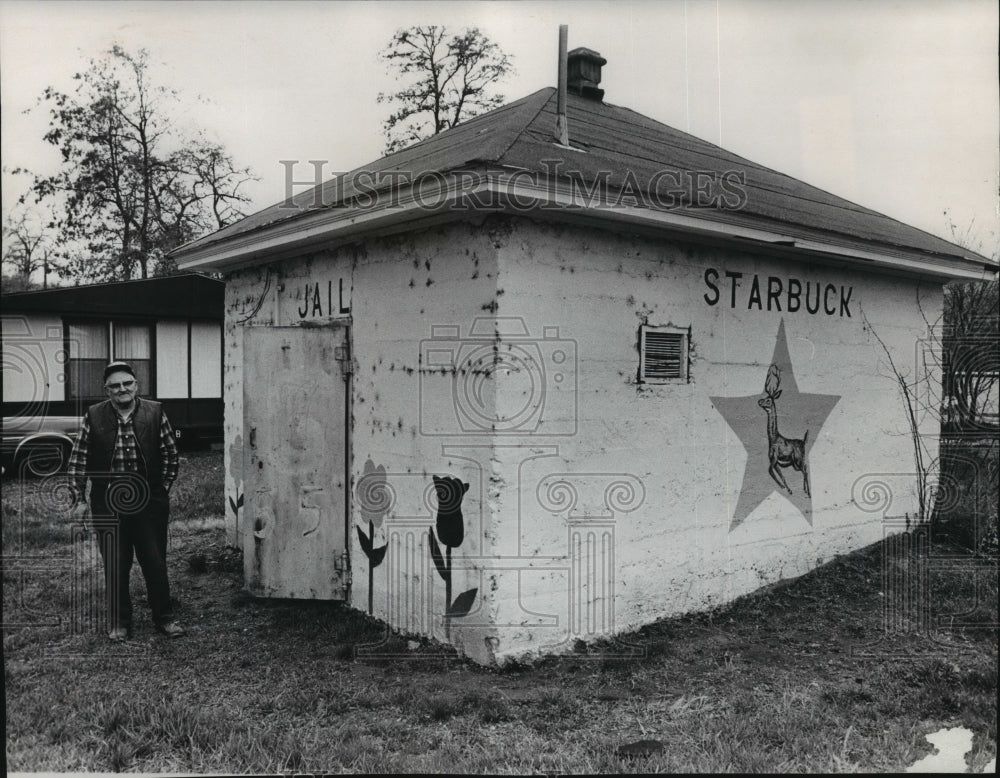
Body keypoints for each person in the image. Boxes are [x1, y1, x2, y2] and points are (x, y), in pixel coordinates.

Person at [68, 361, 185, 641]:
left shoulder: (155, 412)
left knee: (154, 562)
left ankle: (165, 617)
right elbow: (78, 460)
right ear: (106, 390)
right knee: (116, 564)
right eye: (115, 385)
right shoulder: (93, 416)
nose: (122, 389)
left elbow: (170, 454)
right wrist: (79, 499)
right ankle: (120, 621)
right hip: (107, 503)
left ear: (136, 385)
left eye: (127, 383)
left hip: (149, 502)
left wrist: (161, 489)